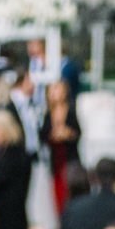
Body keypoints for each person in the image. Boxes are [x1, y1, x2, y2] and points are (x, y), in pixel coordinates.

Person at [45, 77, 78, 213]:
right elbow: (44, 134)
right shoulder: (48, 113)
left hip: (69, 157)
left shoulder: (71, 110)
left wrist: (67, 134)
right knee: (58, 192)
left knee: (71, 188)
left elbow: (77, 132)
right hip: (56, 159)